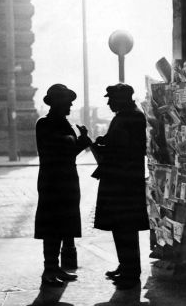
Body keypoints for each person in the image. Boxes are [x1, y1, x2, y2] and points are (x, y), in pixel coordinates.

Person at [92, 83, 149, 289]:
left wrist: (105, 147)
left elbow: (126, 148)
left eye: (111, 98)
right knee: (121, 226)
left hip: (124, 181)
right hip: (121, 178)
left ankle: (131, 271)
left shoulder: (131, 117)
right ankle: (125, 266)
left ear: (121, 98)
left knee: (125, 227)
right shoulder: (126, 115)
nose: (108, 102)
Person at [34, 84, 91, 287]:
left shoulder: (65, 124)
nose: (70, 105)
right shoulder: (45, 124)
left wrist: (82, 141)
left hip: (67, 180)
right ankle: (49, 269)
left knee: (63, 225)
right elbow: (58, 147)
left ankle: (55, 267)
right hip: (52, 182)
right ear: (58, 103)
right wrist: (72, 141)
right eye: (67, 102)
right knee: (52, 227)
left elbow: (71, 149)